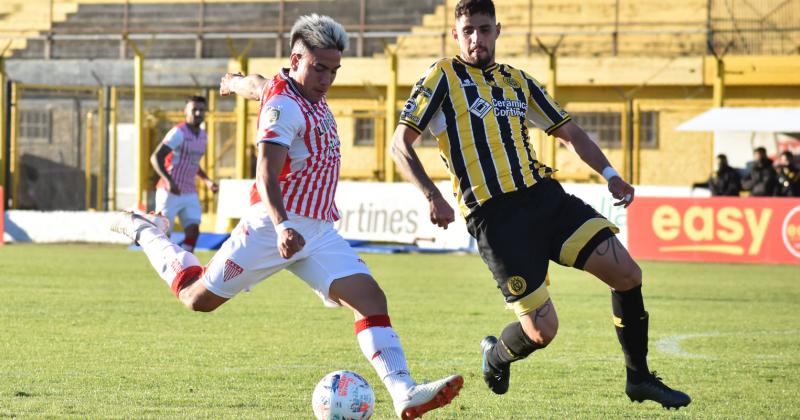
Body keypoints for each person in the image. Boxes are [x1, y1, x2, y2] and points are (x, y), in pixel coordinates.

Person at [111, 14, 461, 420]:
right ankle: (147, 230)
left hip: (318, 231)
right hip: (273, 226)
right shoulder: (285, 107)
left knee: (371, 300)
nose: (327, 78)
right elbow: (266, 170)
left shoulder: (292, 88)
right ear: (296, 59)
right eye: (319, 68)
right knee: (197, 299)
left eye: (333, 69)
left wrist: (234, 82)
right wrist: (282, 225)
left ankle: (404, 392)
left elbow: (258, 84)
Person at [390, 0, 690, 410]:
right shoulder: (442, 76)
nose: (476, 38)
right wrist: (431, 194)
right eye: (468, 31)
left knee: (627, 273)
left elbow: (571, 133)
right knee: (542, 331)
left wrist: (610, 174)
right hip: (495, 218)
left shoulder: (519, 81)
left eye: (483, 29)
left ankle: (639, 378)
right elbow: (399, 144)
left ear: (497, 30)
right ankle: (495, 355)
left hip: (545, 198)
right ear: (455, 35)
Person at [150, 96, 219, 252]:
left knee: (193, 230)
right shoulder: (178, 133)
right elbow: (156, 157)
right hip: (169, 191)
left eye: (201, 110)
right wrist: (169, 181)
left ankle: (186, 265)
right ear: (185, 111)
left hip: (189, 191)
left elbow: (193, 163)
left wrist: (207, 181)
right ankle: (164, 261)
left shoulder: (203, 136)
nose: (198, 113)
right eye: (194, 109)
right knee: (163, 234)